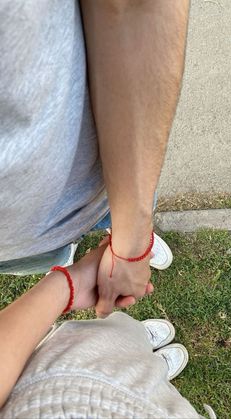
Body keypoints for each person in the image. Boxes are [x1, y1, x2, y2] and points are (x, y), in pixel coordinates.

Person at [0, 1, 189, 315]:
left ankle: (126, 232)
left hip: (95, 174)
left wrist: (131, 244)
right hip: (15, 248)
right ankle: (69, 254)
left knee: (123, 215)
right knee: (52, 256)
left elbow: (134, 9)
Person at [0, 243, 215, 418]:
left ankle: (137, 354)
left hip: (48, 392)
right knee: (155, 389)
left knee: (117, 337)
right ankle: (153, 371)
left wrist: (72, 282)